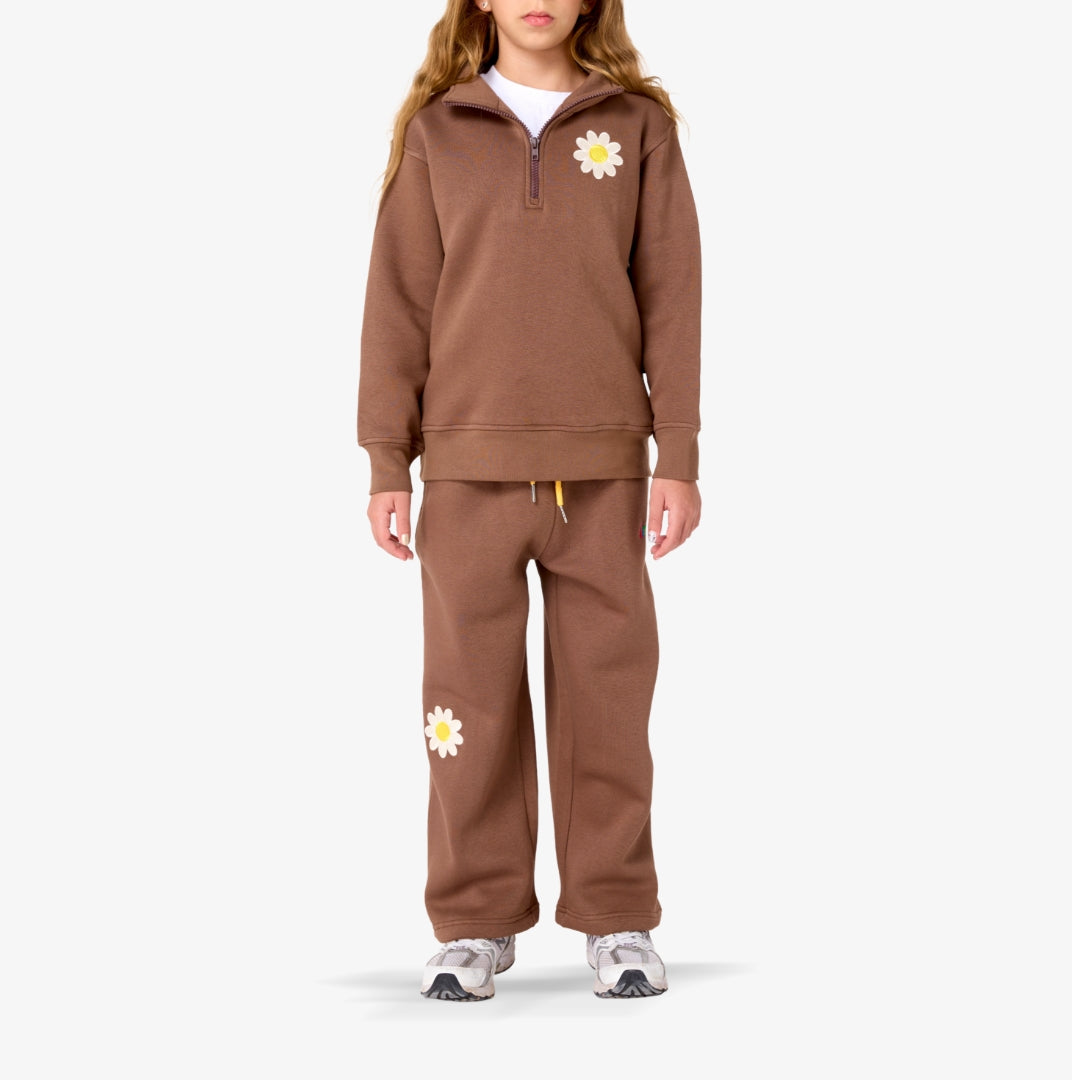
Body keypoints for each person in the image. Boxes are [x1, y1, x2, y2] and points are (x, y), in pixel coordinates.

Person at [357, 0, 702, 1001]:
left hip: (604, 472)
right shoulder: (438, 131)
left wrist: (677, 453)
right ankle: (474, 921)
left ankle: (618, 913)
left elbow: (673, 292)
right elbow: (397, 302)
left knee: (608, 697)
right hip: (465, 472)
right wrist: (388, 461)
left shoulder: (637, 127)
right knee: (465, 701)